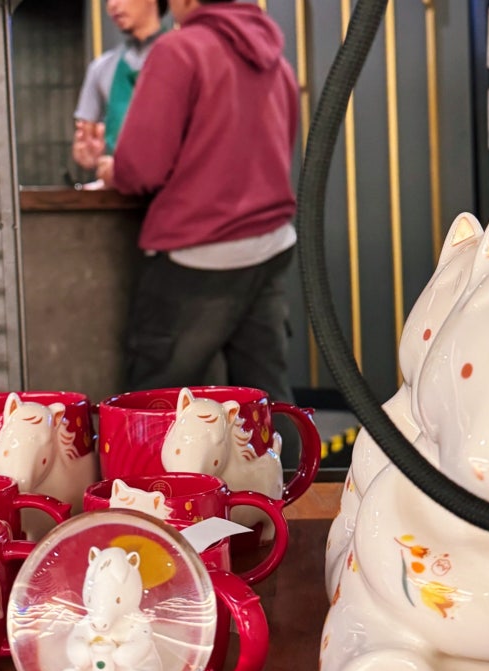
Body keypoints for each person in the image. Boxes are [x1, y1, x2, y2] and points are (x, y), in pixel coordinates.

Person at [95, 0, 299, 409]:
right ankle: (290, 474)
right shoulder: (274, 58)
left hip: (197, 253)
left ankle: (155, 478)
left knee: (157, 405)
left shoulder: (179, 51)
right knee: (266, 405)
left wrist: (110, 170)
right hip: (271, 245)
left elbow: (141, 168)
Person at [71, 0, 169, 171]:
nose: (112, 6)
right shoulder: (101, 68)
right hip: (120, 189)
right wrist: (91, 153)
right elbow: (88, 131)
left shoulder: (184, 60)